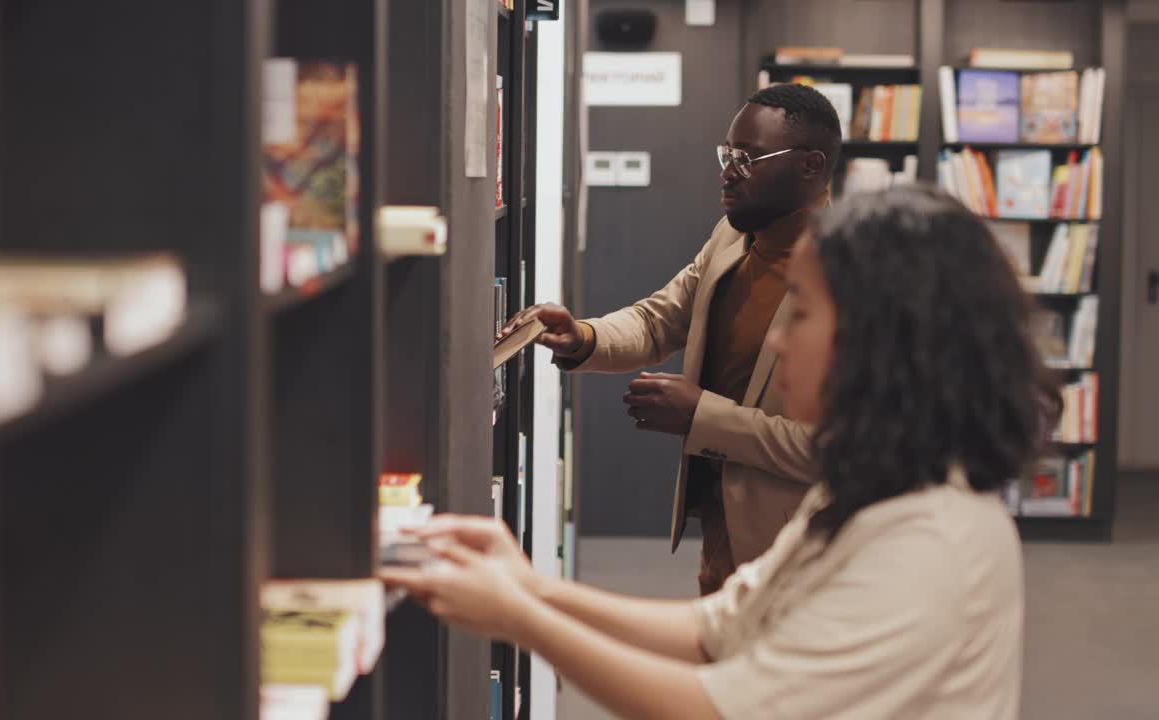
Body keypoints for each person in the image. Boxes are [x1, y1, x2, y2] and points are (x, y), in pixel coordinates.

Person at [385, 186, 1060, 719]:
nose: (777, 342)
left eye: (800, 313)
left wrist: (522, 616)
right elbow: (718, 630)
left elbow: (721, 709)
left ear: (881, 340)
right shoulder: (869, 488)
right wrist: (533, 589)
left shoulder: (931, 545)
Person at [500, 83, 843, 593]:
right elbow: (659, 319)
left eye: (748, 159)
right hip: (721, 525)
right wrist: (582, 336)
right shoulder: (732, 237)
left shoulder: (847, 274)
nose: (728, 171)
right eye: (728, 154)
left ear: (811, 166)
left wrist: (702, 417)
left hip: (799, 550)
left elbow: (834, 450)